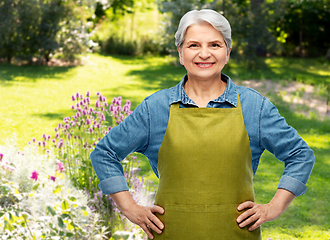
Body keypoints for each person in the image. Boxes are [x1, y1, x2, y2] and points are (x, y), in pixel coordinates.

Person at [90, 9, 315, 240]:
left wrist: (275, 207)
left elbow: (300, 155)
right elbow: (105, 153)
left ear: (227, 53)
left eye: (215, 45)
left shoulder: (253, 107)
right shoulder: (155, 108)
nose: (204, 54)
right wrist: (129, 208)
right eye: (194, 45)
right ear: (180, 53)